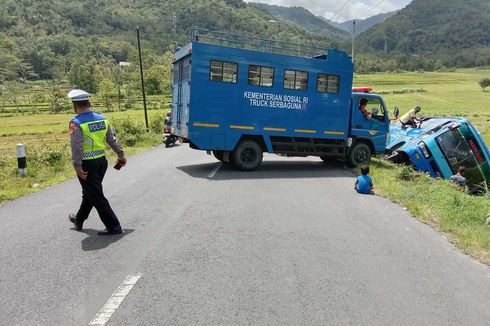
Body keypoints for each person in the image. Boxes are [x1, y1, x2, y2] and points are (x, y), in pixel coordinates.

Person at [67, 89, 127, 235]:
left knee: (96, 195)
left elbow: (76, 147)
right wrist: (120, 154)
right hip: (101, 162)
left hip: (87, 165)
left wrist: (77, 166)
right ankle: (79, 219)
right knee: (90, 192)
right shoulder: (102, 118)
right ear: (89, 103)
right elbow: (112, 139)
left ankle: (114, 226)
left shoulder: (76, 122)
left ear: (74, 105)